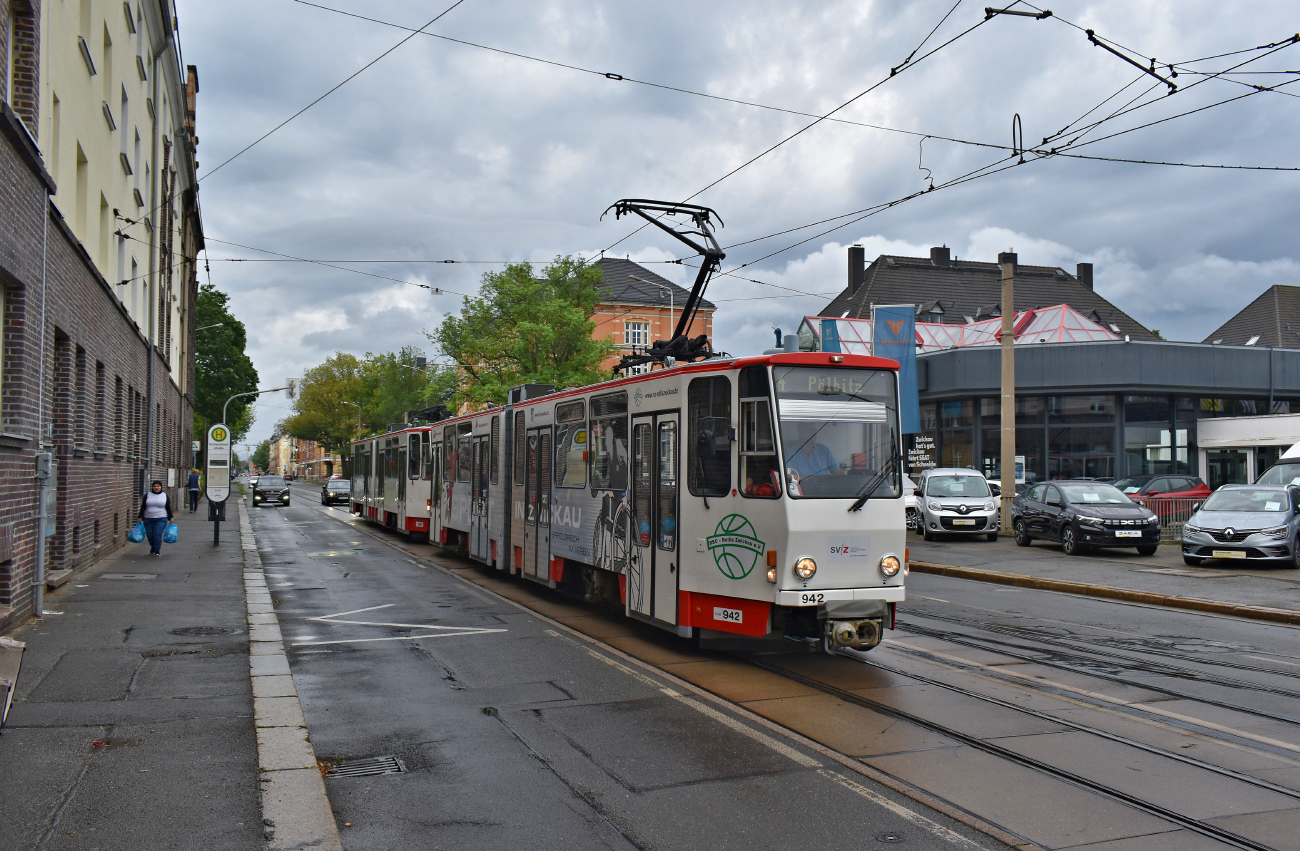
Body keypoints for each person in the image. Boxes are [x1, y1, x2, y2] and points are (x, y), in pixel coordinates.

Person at [138, 480, 174, 557]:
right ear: (152, 487)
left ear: (161, 487)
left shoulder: (164, 496)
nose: (156, 488)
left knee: (157, 534)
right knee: (150, 535)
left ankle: (157, 550)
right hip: (148, 518)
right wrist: (140, 516)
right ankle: (153, 547)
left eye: (158, 486)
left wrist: (171, 517)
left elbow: (168, 507)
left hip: (161, 518)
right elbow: (143, 506)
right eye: (155, 486)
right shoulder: (148, 495)